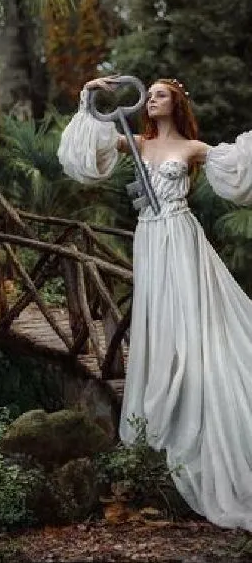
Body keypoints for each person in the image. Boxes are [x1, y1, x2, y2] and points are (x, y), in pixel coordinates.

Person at [57, 75, 252, 531]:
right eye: (153, 94)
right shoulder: (137, 144)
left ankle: (197, 385)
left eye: (162, 94)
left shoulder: (192, 149)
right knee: (160, 320)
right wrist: (89, 95)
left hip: (181, 237)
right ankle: (165, 393)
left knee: (191, 318)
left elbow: (241, 165)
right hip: (150, 238)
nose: (154, 99)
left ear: (175, 102)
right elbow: (89, 156)